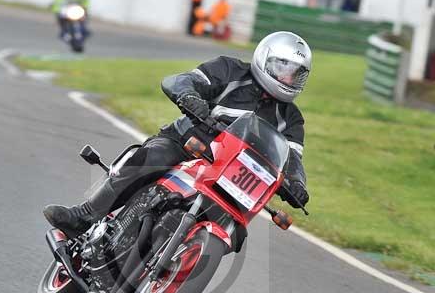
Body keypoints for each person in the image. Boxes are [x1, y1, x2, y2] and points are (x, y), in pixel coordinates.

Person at [44, 32, 312, 237]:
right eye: (283, 69)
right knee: (151, 158)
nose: (288, 79)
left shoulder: (291, 117)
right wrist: (189, 95)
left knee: (238, 232)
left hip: (233, 175)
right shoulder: (229, 70)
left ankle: (182, 263)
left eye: (296, 75)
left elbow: (292, 159)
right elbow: (181, 80)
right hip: (189, 142)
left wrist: (297, 184)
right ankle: (84, 216)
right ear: (264, 58)